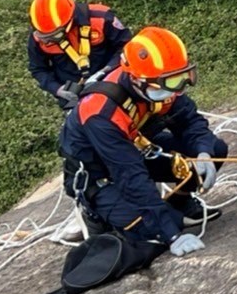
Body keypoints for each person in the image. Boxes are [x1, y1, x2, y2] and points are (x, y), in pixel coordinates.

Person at [58, 26, 227, 259]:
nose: (176, 89)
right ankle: (95, 213)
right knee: (145, 230)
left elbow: (191, 123)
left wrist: (204, 154)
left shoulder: (160, 84)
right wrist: (172, 235)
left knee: (216, 148)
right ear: (137, 81)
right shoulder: (100, 113)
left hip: (136, 150)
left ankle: (178, 204)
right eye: (170, 82)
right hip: (100, 174)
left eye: (180, 78)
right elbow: (130, 176)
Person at [28, 0, 132, 112]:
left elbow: (126, 47)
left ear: (69, 23)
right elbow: (38, 69)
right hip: (77, 98)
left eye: (53, 37)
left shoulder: (100, 18)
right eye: (42, 36)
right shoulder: (39, 37)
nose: (46, 41)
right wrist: (58, 89)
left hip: (115, 82)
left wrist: (106, 71)